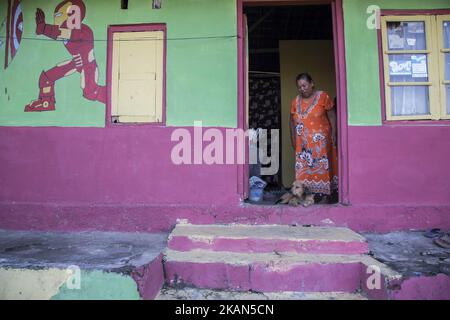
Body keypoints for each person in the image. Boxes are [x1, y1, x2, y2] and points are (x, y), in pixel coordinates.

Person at [290, 73, 338, 203]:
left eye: (304, 85)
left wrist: (334, 133)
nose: (302, 89)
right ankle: (307, 196)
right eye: (299, 87)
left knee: (322, 168)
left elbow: (332, 115)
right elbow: (291, 121)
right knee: (303, 171)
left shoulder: (323, 97)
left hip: (321, 143)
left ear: (312, 83)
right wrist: (293, 139)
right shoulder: (295, 101)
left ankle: (325, 195)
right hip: (303, 145)